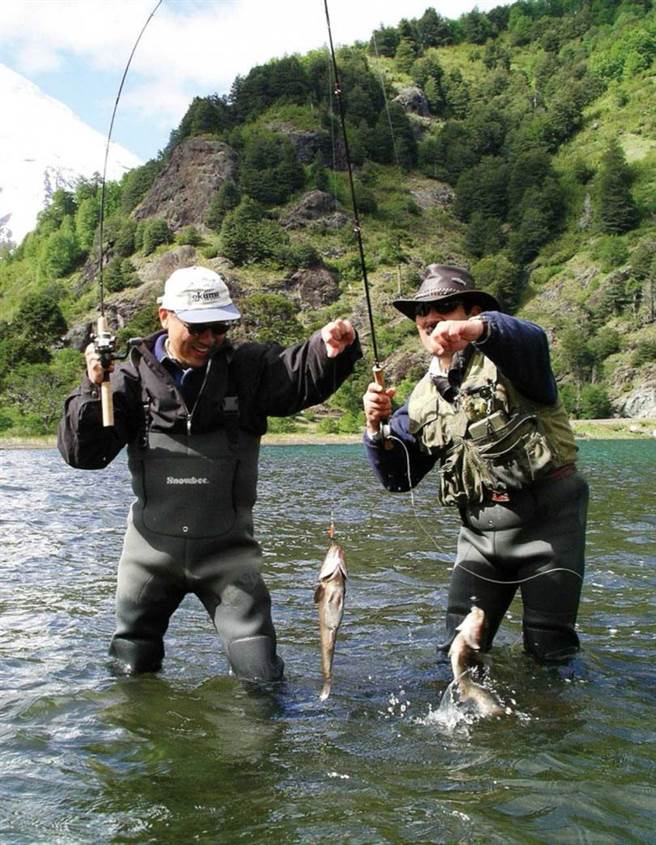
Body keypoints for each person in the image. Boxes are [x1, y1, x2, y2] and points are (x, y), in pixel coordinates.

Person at [58, 265, 361, 681]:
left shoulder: (247, 368)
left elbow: (296, 374)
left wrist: (327, 349)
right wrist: (94, 388)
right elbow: (84, 455)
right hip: (148, 558)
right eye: (197, 327)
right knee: (130, 672)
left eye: (218, 327)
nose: (208, 339)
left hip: (229, 559)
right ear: (164, 315)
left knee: (262, 679)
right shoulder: (125, 378)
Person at [362, 264, 589, 664]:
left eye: (446, 307)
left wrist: (479, 331)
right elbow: (399, 478)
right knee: (456, 655)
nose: (430, 318)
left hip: (549, 528)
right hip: (479, 538)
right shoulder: (420, 398)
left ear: (471, 312)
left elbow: (530, 338)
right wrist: (375, 429)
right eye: (421, 312)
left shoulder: (517, 360)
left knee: (549, 654)